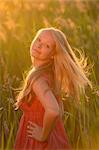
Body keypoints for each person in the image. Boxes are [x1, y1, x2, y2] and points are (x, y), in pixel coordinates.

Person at [13, 27, 92, 150]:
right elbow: (59, 109)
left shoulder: (38, 79)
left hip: (37, 138)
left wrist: (43, 136)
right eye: (38, 40)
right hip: (54, 134)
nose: (39, 46)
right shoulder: (50, 73)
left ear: (53, 55)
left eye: (47, 46)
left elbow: (54, 110)